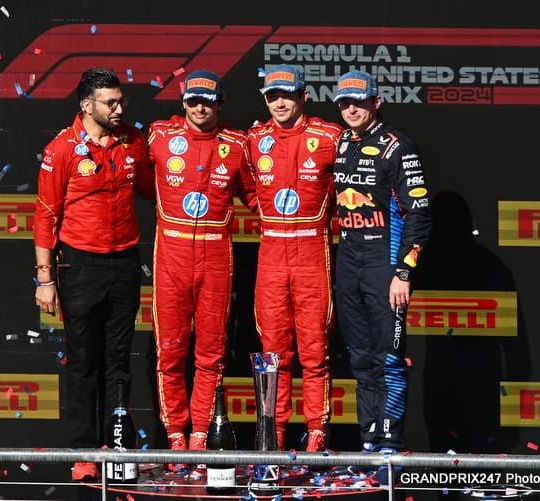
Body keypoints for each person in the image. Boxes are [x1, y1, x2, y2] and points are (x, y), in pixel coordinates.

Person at [34, 68, 153, 481]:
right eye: (111, 102)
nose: (119, 109)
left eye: (122, 101)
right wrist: (45, 280)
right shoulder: (61, 149)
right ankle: (84, 452)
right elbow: (45, 217)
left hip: (125, 263)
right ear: (87, 105)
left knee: (119, 359)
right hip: (80, 266)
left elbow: (155, 188)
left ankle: (117, 446)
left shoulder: (133, 141)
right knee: (84, 361)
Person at [147, 70, 257, 461]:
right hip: (171, 257)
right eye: (193, 100)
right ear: (183, 102)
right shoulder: (159, 136)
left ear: (220, 103)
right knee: (170, 352)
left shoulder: (237, 144)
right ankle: (175, 434)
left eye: (207, 101)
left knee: (211, 353)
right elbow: (135, 178)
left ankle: (200, 434)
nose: (199, 107)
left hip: (215, 258)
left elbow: (258, 198)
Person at [331, 70, 431, 479]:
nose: (351, 109)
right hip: (348, 262)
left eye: (359, 101)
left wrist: (404, 271)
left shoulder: (398, 146)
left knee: (389, 358)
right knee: (360, 359)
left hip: (384, 264)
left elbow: (419, 214)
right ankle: (369, 442)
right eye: (344, 103)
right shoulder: (341, 142)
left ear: (376, 102)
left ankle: (391, 444)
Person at [247, 65, 343, 452]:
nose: (280, 103)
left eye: (287, 95)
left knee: (315, 350)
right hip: (272, 253)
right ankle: (273, 436)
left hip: (312, 253)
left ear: (303, 96)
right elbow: (244, 186)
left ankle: (317, 434)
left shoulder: (330, 136)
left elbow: (350, 189)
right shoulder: (253, 139)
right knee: (273, 352)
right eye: (272, 96)